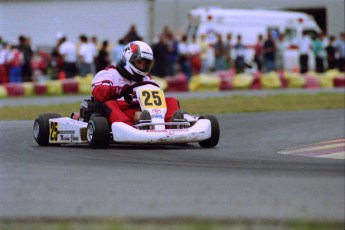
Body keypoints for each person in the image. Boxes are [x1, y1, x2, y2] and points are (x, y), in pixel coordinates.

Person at [91, 40, 183, 127]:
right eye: (139, 62)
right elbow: (98, 92)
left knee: (171, 100)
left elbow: (157, 97)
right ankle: (127, 128)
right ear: (127, 58)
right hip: (121, 112)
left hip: (143, 111)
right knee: (109, 103)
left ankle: (172, 124)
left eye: (145, 64)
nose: (142, 67)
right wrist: (119, 91)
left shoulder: (146, 78)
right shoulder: (110, 73)